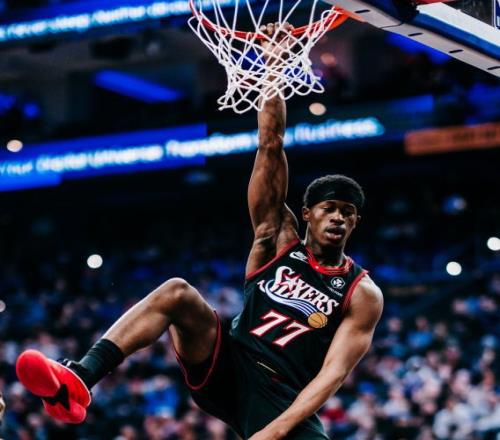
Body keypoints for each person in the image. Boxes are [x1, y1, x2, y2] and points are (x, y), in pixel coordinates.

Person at [15, 24, 383, 439]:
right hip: (227, 363)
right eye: (329, 209)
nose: (337, 218)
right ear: (307, 214)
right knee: (176, 292)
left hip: (282, 394)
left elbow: (333, 374)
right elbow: (270, 143)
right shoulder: (278, 240)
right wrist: (273, 67)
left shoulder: (362, 292)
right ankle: (79, 380)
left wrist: (274, 432)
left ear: (355, 222)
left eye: (347, 212)